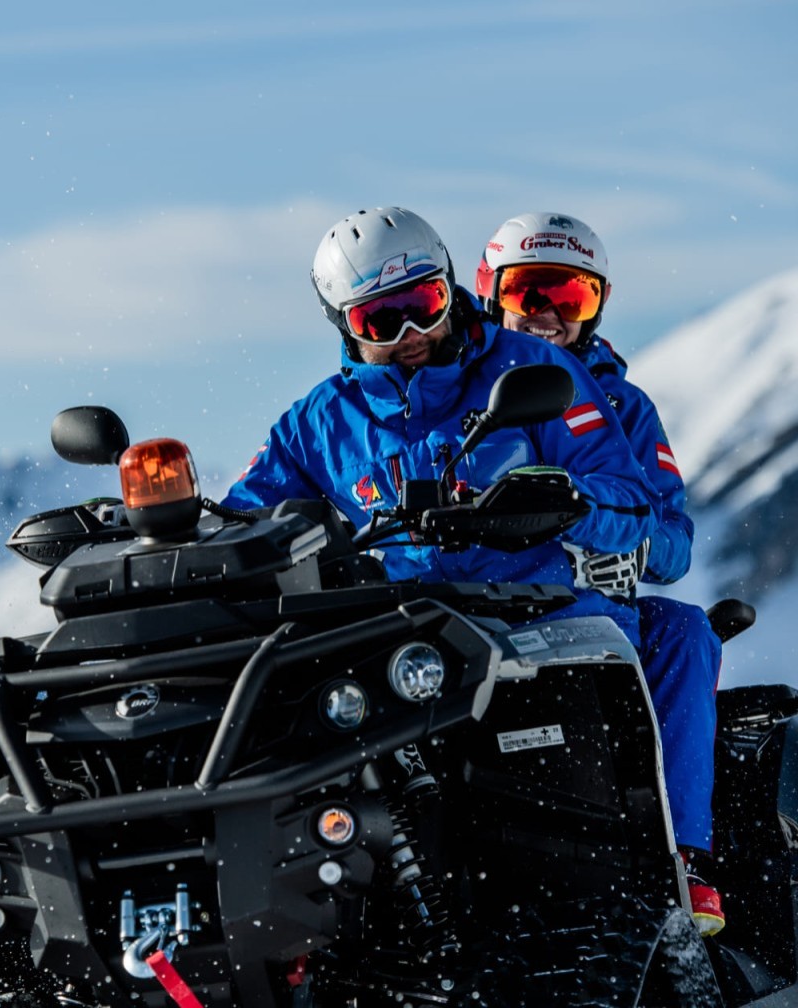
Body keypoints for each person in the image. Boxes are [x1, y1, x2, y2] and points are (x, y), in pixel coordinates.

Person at [219, 206, 712, 934]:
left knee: (671, 638)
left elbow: (641, 508)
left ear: (451, 290)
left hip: (533, 611)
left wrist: (563, 502)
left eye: (420, 306)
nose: (409, 336)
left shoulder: (537, 375)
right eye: (380, 321)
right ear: (343, 325)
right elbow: (247, 526)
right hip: (392, 637)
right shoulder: (317, 421)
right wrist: (175, 533)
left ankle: (665, 869)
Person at [475, 210, 724, 935]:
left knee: (681, 631)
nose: (549, 314)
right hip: (475, 603)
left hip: (590, 608)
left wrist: (588, 518)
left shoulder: (625, 408)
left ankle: (682, 855)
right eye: (531, 293)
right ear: (491, 293)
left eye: (572, 296)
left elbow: (673, 544)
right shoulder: (460, 391)